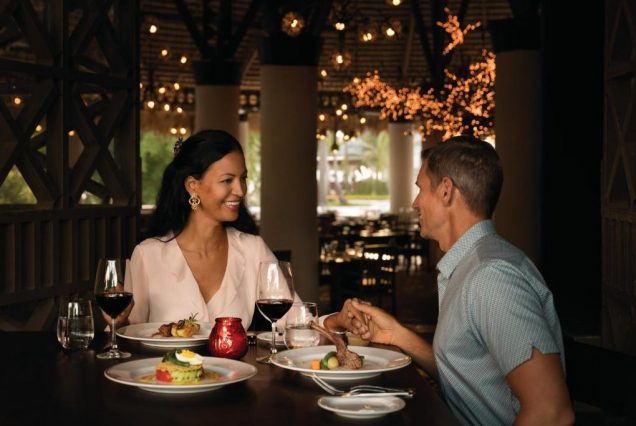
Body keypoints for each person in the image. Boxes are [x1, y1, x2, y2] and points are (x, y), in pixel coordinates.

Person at [348, 135, 574, 425]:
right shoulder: (471, 266)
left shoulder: (491, 277)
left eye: (421, 189)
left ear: (446, 191)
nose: (415, 202)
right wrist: (396, 335)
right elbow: (466, 371)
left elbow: (552, 413)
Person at [107, 129, 357, 332]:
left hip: (237, 379)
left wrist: (337, 321)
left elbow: (297, 324)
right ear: (193, 186)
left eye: (243, 178)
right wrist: (117, 321)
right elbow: (130, 337)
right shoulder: (148, 255)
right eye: (227, 180)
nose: (240, 190)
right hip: (164, 379)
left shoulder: (252, 249)